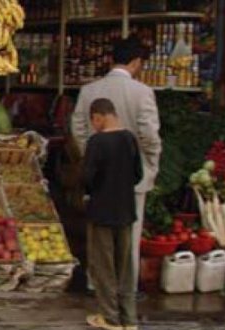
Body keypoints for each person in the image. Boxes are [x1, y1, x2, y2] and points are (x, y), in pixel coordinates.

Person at [70, 38, 161, 291]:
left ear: (112, 60)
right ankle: (124, 288)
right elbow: (149, 135)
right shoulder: (142, 92)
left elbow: (77, 127)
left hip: (98, 175)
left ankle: (96, 284)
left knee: (99, 232)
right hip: (132, 176)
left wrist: (90, 155)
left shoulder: (89, 90)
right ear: (136, 62)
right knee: (128, 235)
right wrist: (150, 162)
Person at [83, 99, 143, 330]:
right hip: (126, 211)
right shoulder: (130, 139)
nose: (94, 125)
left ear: (99, 116)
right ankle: (129, 317)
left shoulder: (97, 142)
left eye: (94, 120)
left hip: (102, 211)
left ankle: (110, 317)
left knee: (103, 265)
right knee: (125, 265)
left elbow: (87, 178)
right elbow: (138, 174)